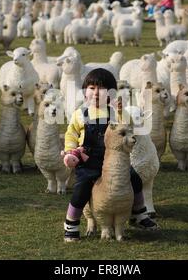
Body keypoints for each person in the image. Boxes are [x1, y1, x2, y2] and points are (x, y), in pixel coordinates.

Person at [62, 68, 159, 242]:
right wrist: (70, 151)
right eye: (91, 88)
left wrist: (120, 111)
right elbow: (71, 134)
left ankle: (139, 214)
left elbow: (126, 125)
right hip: (89, 161)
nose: (96, 93)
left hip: (113, 161)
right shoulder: (80, 114)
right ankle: (71, 223)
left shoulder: (114, 112)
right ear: (85, 91)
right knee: (82, 188)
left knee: (135, 179)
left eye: (101, 89)